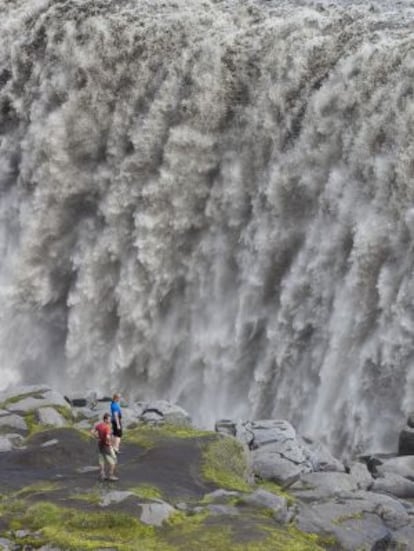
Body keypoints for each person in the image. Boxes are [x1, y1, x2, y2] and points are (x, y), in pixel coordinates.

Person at [91, 413, 118, 481]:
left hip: (100, 445)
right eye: (109, 419)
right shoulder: (107, 427)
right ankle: (111, 475)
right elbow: (107, 437)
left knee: (101, 460)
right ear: (105, 419)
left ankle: (102, 474)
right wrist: (109, 443)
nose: (110, 420)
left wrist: (97, 437)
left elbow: (92, 431)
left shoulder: (99, 425)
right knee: (113, 462)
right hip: (106, 446)